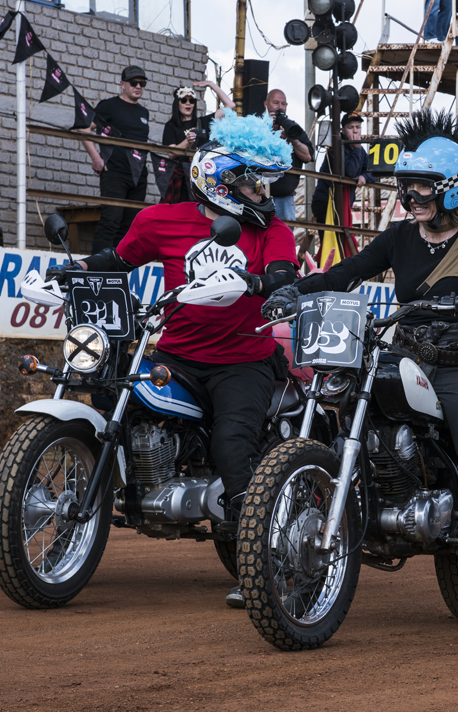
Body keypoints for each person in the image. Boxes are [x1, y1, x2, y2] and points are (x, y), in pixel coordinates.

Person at [264, 109, 458, 644]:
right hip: (405, 355)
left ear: (452, 189)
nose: (411, 198)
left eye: (422, 189)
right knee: (344, 423)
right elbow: (346, 272)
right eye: (407, 188)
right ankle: (285, 570)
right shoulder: (397, 237)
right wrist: (297, 290)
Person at [50, 113, 299, 609]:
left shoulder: (272, 230)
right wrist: (73, 267)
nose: (261, 194)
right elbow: (118, 261)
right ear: (219, 183)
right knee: (119, 407)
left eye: (262, 184)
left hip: (242, 360)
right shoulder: (159, 220)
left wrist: (258, 283)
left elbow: (283, 274)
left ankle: (263, 563)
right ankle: (76, 527)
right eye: (251, 184)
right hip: (176, 356)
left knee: (232, 444)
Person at [82, 65, 153, 251]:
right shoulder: (109, 106)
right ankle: (98, 264)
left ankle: (118, 263)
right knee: (110, 220)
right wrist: (96, 157)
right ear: (123, 84)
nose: (138, 86)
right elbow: (84, 128)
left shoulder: (143, 112)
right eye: (134, 83)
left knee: (130, 225)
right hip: (115, 172)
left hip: (138, 176)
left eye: (142, 83)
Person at [160, 81, 233, 204]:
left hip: (201, 176)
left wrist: (211, 84)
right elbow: (171, 154)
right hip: (182, 177)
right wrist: (186, 142)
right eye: (184, 100)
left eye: (192, 100)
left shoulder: (203, 122)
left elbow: (230, 105)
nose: (188, 103)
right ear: (177, 103)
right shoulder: (171, 126)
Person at [312, 113, 371, 225]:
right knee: (331, 235)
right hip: (326, 202)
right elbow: (350, 172)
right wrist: (357, 149)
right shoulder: (336, 148)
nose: (355, 131)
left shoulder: (360, 150)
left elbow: (372, 171)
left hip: (344, 203)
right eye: (350, 127)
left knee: (343, 234)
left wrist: (365, 176)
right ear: (342, 130)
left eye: (358, 127)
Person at [265, 89, 314, 222]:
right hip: (258, 196)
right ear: (266, 104)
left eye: (283, 104)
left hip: (285, 198)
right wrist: (268, 129)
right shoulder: (258, 127)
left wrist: (292, 139)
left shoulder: (292, 128)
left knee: (284, 233)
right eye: (276, 103)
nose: (280, 108)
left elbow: (308, 157)